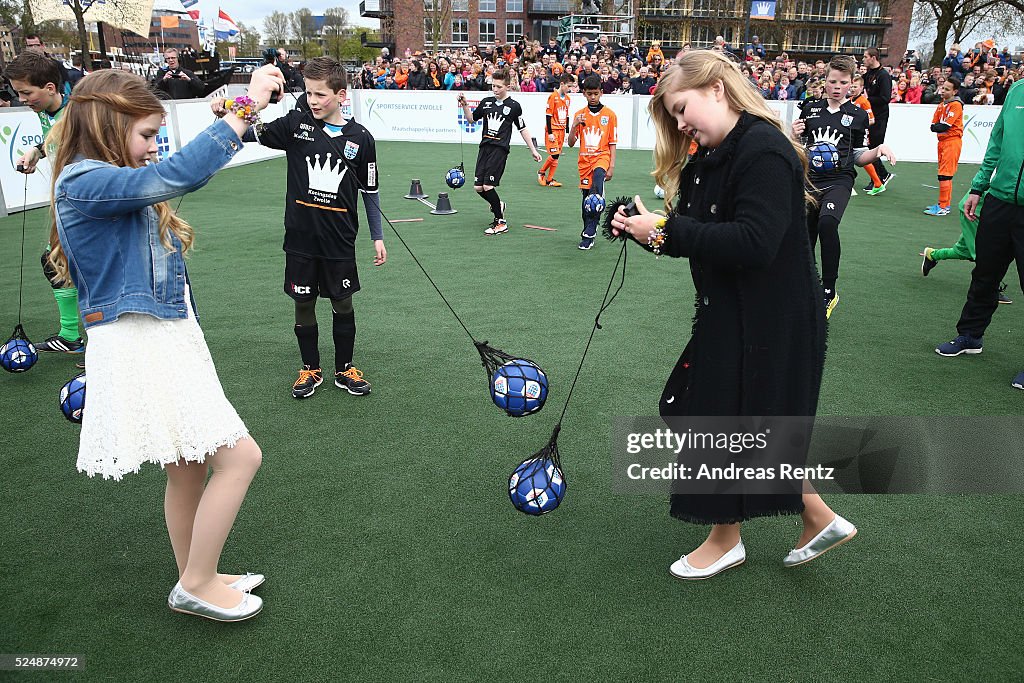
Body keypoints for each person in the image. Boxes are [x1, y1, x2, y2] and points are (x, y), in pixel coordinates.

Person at [48, 66, 283, 620]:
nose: (155, 148)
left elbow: (169, 177)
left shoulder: (104, 179)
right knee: (240, 458)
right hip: (139, 339)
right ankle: (197, 583)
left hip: (161, 334)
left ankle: (195, 573)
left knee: (189, 466)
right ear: (107, 126)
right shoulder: (84, 180)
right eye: (147, 135)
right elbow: (179, 174)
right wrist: (242, 110)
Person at [609, 50, 856, 580]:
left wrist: (665, 230)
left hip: (771, 321)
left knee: (723, 424)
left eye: (681, 109)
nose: (680, 124)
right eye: (672, 117)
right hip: (734, 314)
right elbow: (702, 240)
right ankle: (817, 515)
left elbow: (754, 242)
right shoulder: (711, 159)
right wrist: (641, 229)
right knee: (709, 415)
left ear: (717, 90)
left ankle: (726, 538)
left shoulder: (763, 150)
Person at [213, 57, 386, 398]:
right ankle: (310, 368)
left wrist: (377, 236)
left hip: (339, 241)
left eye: (321, 95)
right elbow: (248, 132)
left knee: (343, 303)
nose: (313, 100)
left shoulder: (362, 138)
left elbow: (371, 190)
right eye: (308, 93)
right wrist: (228, 113)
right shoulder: (295, 124)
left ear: (341, 94)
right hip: (300, 239)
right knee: (302, 304)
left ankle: (344, 368)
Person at [934, 79, 1024, 389]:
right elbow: (997, 143)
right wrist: (978, 186)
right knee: (985, 273)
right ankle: (970, 336)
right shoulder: (1017, 90)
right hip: (999, 200)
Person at [792, 55, 896, 319]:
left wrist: (878, 151)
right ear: (824, 81)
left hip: (840, 180)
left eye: (843, 82)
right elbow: (800, 149)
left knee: (828, 223)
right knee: (805, 234)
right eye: (832, 81)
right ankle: (806, 287)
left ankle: (829, 290)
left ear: (852, 84)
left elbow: (859, 156)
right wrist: (793, 135)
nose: (837, 86)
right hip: (810, 180)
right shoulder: (809, 109)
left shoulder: (858, 115)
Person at [6, 51, 83, 355]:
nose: (22, 99)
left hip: (86, 201)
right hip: (66, 199)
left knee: (83, 268)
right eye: (18, 93)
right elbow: (51, 137)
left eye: (26, 92)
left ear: (50, 88)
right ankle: (71, 336)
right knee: (56, 262)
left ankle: (93, 343)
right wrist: (36, 152)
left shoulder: (79, 112)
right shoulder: (49, 108)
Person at [457, 69, 542, 236]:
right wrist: (465, 104)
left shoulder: (514, 106)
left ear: (507, 86)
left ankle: (500, 222)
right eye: (492, 86)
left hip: (499, 150)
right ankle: (498, 205)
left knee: (488, 186)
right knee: (478, 187)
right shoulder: (486, 102)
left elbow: (523, 128)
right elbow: (471, 119)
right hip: (484, 148)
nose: (494, 89)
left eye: (498, 86)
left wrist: (533, 150)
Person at [567, 74, 616, 251]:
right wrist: (574, 126)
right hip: (584, 162)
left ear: (601, 93)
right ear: (584, 94)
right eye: (589, 94)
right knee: (586, 199)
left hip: (601, 159)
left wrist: (611, 166)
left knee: (596, 190)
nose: (593, 97)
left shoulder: (610, 115)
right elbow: (571, 143)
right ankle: (588, 229)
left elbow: (612, 143)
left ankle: (589, 232)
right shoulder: (579, 115)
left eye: (595, 93)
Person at [924, 76, 963, 217]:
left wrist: (939, 127)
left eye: (947, 89)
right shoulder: (942, 105)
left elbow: (943, 126)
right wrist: (938, 127)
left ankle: (943, 206)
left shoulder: (956, 105)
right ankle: (943, 204)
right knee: (944, 174)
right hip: (942, 142)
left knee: (945, 175)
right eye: (942, 88)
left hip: (952, 142)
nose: (942, 91)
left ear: (955, 92)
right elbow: (933, 126)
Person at [862, 47, 894, 194]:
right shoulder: (868, 74)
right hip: (869, 116)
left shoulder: (883, 75)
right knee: (869, 147)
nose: (863, 59)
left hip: (879, 117)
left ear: (873, 58)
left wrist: (867, 100)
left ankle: (879, 177)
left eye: (865, 57)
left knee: (874, 147)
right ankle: (882, 175)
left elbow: (885, 98)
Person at [538, 72, 574, 187]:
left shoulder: (568, 99)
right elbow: (548, 115)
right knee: (554, 154)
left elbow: (567, 116)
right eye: (568, 86)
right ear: (562, 84)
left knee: (556, 155)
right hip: (553, 130)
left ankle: (549, 180)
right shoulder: (553, 97)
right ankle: (541, 172)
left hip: (562, 131)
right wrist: (550, 133)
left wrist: (567, 132)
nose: (569, 89)